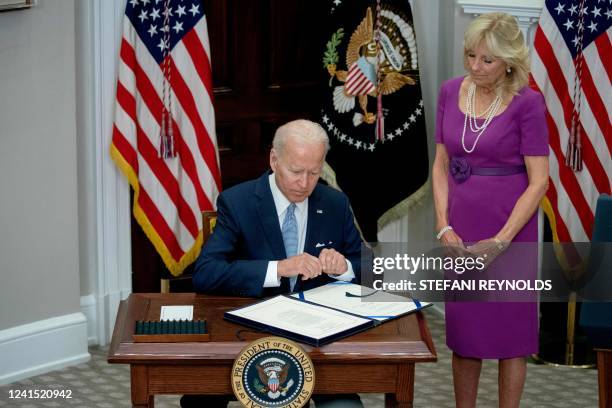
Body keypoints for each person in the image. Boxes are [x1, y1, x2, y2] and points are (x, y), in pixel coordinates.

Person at [183, 119, 364, 408]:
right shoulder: (238, 202)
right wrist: (278, 268)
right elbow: (206, 273)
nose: (304, 183)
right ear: (274, 159)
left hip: (318, 345)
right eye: (296, 171)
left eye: (314, 172)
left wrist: (345, 269)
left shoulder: (335, 204)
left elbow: (366, 269)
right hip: (246, 340)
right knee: (199, 399)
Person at [432, 12, 549, 408]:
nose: (474, 66)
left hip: (511, 231)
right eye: (470, 56)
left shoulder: (529, 104)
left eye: (486, 60)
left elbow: (539, 181)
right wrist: (442, 226)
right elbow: (440, 164)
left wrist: (501, 241)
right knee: (466, 334)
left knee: (510, 338)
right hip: (460, 226)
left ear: (509, 62)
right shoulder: (449, 91)